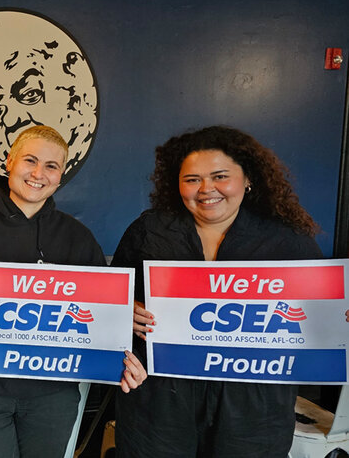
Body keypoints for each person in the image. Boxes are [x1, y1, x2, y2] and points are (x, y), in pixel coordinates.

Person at [0, 125, 146, 458]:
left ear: (61, 176)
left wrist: (124, 357)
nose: (38, 173)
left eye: (51, 166)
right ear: (9, 162)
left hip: (52, 397)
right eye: (30, 160)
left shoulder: (78, 237)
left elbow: (104, 319)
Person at [112, 126, 322, 457]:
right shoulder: (149, 231)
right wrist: (122, 313)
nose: (206, 189)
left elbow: (320, 321)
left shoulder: (288, 241)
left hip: (253, 410)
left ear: (247, 178)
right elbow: (107, 308)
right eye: (192, 179)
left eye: (220, 176)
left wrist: (338, 319)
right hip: (161, 404)